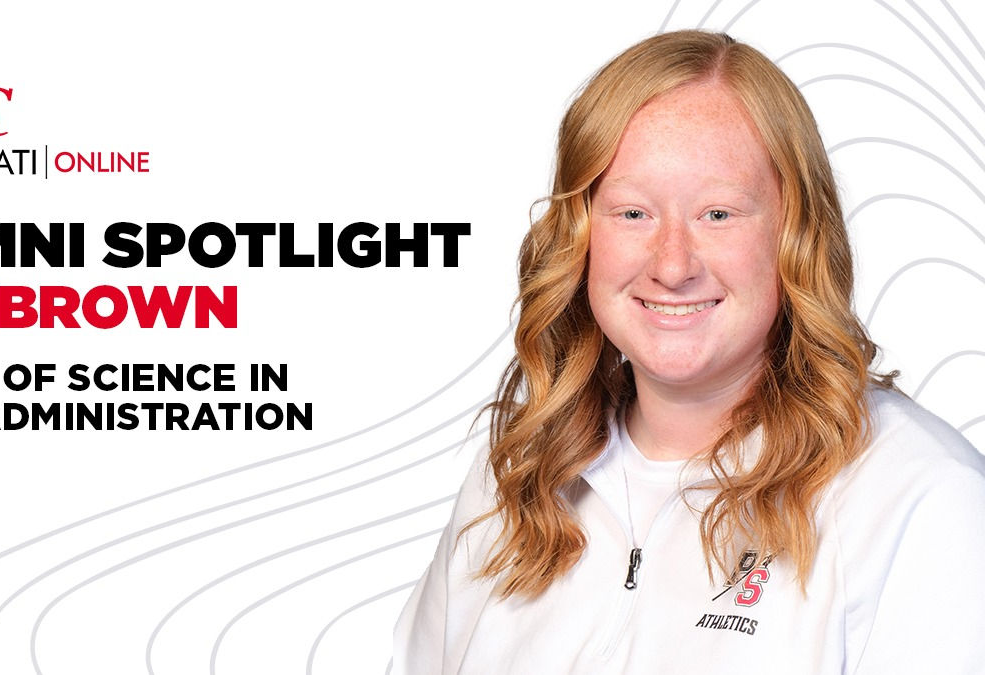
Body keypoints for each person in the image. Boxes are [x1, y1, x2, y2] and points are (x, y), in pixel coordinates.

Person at [393, 30, 985, 674]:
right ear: (580, 234)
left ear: (798, 233)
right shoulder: (512, 483)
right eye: (632, 213)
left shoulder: (919, 497)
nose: (672, 266)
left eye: (719, 214)